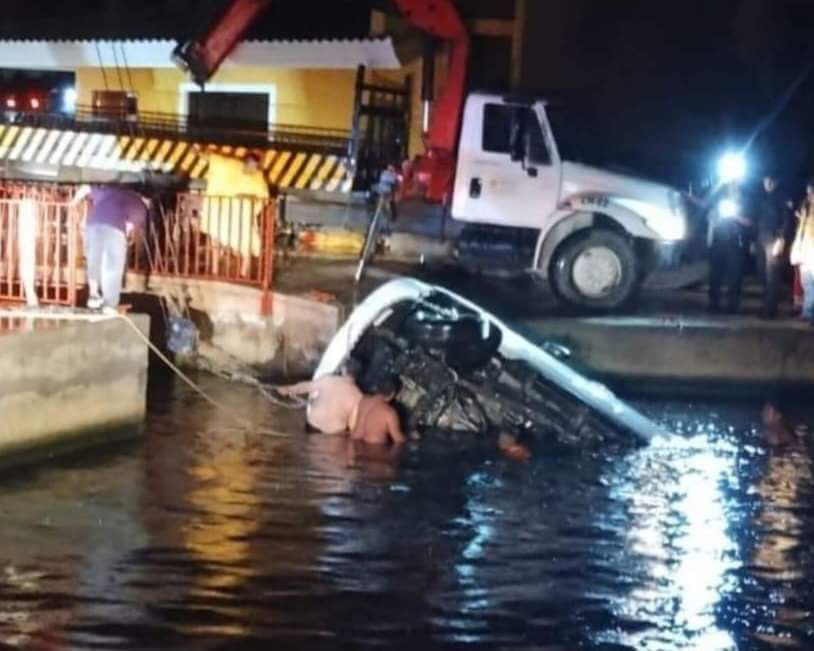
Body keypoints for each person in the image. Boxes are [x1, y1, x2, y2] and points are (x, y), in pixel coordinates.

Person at [71, 183, 148, 309]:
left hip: (93, 225)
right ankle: (110, 303)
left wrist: (73, 202)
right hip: (115, 229)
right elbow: (129, 227)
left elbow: (85, 188)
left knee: (94, 260)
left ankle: (94, 295)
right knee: (112, 265)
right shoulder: (140, 205)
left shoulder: (109, 191)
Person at [708, 182, 752, 313]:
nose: (733, 189)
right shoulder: (719, 201)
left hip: (735, 242)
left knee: (735, 275)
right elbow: (711, 218)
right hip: (718, 241)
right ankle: (713, 303)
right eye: (730, 187)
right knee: (715, 274)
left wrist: (734, 215)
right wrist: (715, 217)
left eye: (735, 187)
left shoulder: (746, 202)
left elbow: (749, 222)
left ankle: (733, 304)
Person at [754, 175, 793, 318]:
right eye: (765, 181)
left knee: (772, 275)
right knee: (761, 273)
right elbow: (757, 220)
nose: (767, 184)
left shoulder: (782, 198)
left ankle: (770, 309)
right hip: (761, 239)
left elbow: (786, 220)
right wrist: (754, 240)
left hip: (774, 239)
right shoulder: (762, 198)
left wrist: (781, 239)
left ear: (776, 182)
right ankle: (765, 304)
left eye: (770, 181)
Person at [278, 372, 363, 435]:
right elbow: (353, 426)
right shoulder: (356, 395)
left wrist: (288, 389)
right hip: (332, 435)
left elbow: (305, 387)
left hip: (311, 426)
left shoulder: (327, 380)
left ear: (344, 371)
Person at [351, 376, 406, 446]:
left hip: (353, 444)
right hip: (373, 452)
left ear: (378, 388)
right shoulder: (389, 412)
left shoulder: (364, 400)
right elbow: (399, 441)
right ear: (393, 394)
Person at [790, 179, 814, 325]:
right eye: (809, 192)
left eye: (812, 192)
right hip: (805, 248)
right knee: (807, 282)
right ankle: (807, 311)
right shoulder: (806, 209)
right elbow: (800, 230)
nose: (810, 194)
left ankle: (809, 312)